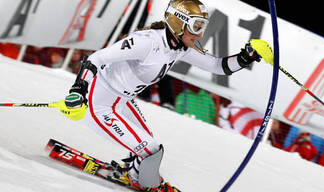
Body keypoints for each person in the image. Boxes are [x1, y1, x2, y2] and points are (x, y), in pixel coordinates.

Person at [54, 0, 270, 191]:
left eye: (202, 26)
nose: (200, 33)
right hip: (99, 103)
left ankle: (135, 173)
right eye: (196, 26)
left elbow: (218, 66)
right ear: (178, 23)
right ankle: (141, 180)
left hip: (122, 101)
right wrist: (78, 91)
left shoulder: (180, 47)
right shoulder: (147, 42)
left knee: (149, 152)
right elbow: (96, 59)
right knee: (151, 150)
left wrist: (246, 57)